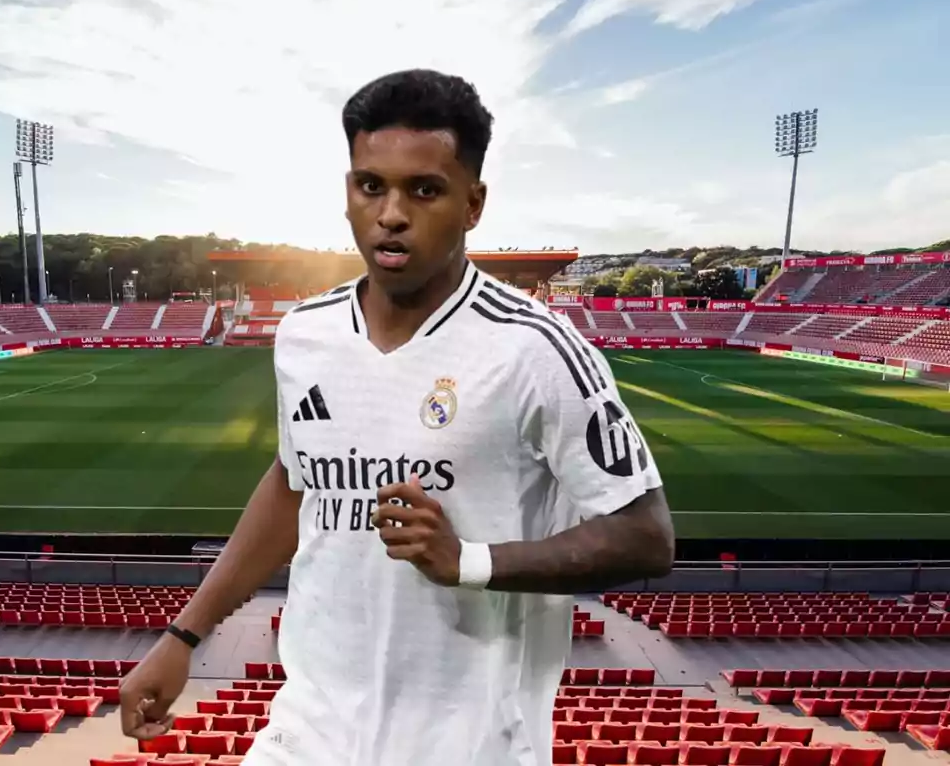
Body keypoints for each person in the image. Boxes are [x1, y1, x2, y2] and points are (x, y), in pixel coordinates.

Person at [120, 68, 675, 765]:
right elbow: (296, 486)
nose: (390, 213)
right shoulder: (305, 334)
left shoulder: (537, 348)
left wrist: (467, 561)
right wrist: (183, 637)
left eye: (424, 190)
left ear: (473, 204)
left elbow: (647, 537)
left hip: (469, 743)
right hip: (310, 731)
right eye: (370, 185)